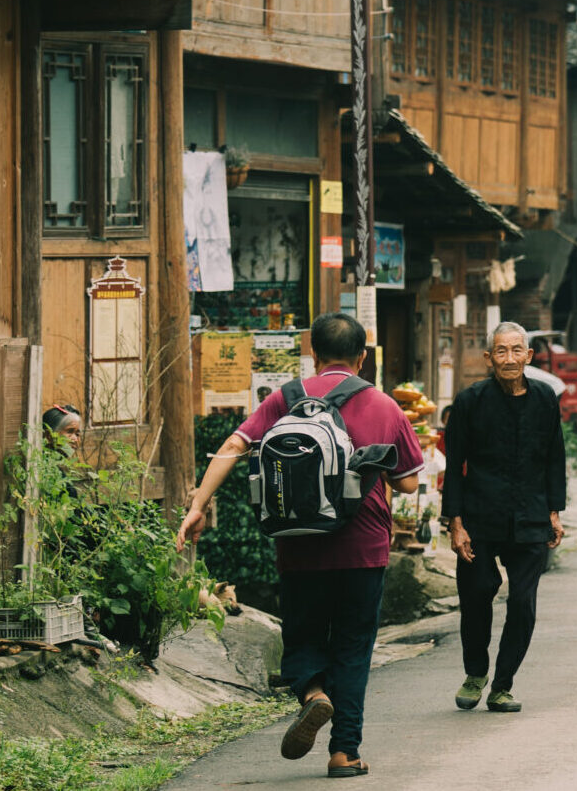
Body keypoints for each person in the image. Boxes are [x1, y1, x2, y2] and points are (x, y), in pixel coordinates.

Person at [179, 313, 424, 778]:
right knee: (353, 647)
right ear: (363, 357)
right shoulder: (383, 404)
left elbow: (235, 444)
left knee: (304, 634)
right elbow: (409, 483)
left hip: (298, 544)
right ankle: (344, 753)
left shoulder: (286, 398)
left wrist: (198, 502)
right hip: (363, 546)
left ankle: (314, 694)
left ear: (312, 353)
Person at [442, 322, 568, 714]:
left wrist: (554, 512)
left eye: (517, 351)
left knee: (524, 603)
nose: (510, 359)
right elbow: (455, 464)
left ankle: (502, 685)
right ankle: (476, 671)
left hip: (531, 517)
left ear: (528, 356)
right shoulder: (470, 401)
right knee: (477, 595)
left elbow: (554, 458)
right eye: (501, 351)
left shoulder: (546, 398)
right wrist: (455, 522)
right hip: (481, 517)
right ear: (489, 358)